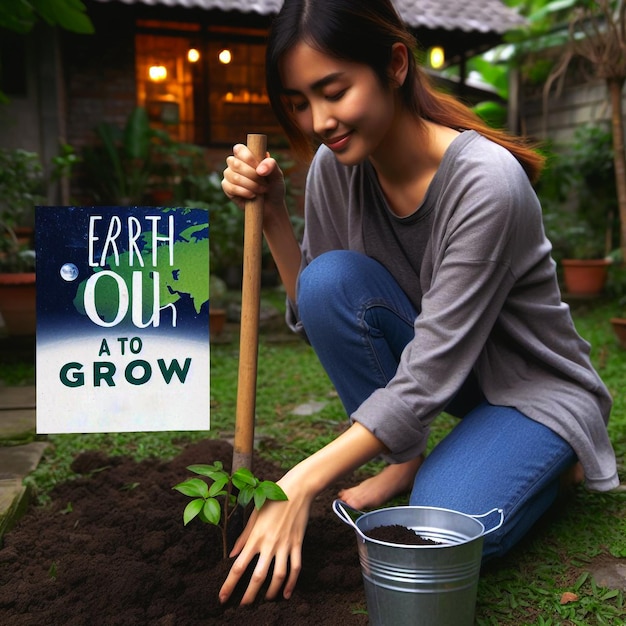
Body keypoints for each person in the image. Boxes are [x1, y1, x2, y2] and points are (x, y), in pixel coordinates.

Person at [219, 0, 618, 606]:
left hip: (532, 390)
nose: (319, 120)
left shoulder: (486, 183)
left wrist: (297, 483)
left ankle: (556, 462)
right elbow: (318, 310)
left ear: (395, 64)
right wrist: (274, 212)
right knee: (329, 280)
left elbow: (426, 373)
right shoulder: (335, 166)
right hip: (448, 380)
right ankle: (405, 459)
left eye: (333, 90)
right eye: (300, 102)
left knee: (433, 528)